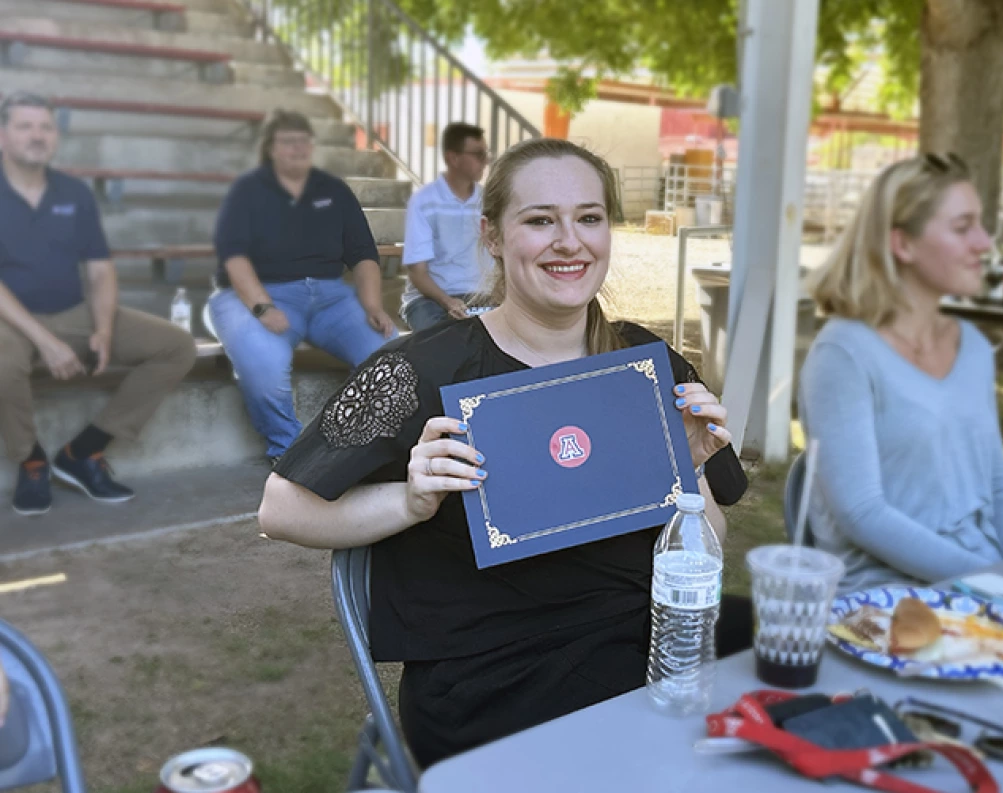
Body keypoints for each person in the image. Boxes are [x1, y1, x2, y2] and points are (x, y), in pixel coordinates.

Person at [258, 138, 750, 767]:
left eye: (589, 218)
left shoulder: (646, 367)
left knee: (805, 673)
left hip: (649, 640)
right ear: (492, 236)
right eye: (540, 219)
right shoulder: (419, 369)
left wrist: (691, 470)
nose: (569, 241)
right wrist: (410, 502)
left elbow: (710, 537)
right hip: (496, 674)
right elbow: (279, 510)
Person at [798, 153, 1003, 595]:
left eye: (981, 225)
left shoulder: (974, 349)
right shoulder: (843, 354)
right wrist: (995, 583)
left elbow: (1000, 489)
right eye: (962, 227)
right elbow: (861, 514)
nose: (984, 243)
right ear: (902, 244)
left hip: (984, 587)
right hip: (887, 603)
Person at [0, 92, 197, 516]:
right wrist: (47, 342)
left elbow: (99, 269)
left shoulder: (74, 192)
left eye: (45, 127)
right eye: (24, 126)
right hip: (10, 320)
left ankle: (83, 452)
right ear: (2, 135)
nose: (37, 136)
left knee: (176, 346)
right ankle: (31, 459)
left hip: (72, 310)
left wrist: (104, 330)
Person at [209, 109, 398, 463]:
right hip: (253, 295)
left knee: (392, 354)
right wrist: (262, 307)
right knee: (264, 364)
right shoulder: (247, 191)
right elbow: (234, 257)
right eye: (287, 142)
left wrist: (372, 305)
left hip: (329, 296)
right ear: (270, 149)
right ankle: (290, 454)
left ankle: (364, 447)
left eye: (303, 141)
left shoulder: (333, 190)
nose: (297, 149)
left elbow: (363, 254)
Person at [400, 122, 491, 331]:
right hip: (430, 300)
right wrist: (447, 301)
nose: (485, 161)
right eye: (478, 154)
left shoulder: (489, 201)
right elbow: (417, 272)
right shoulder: (424, 201)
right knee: (443, 343)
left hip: (482, 297)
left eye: (486, 154)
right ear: (453, 158)